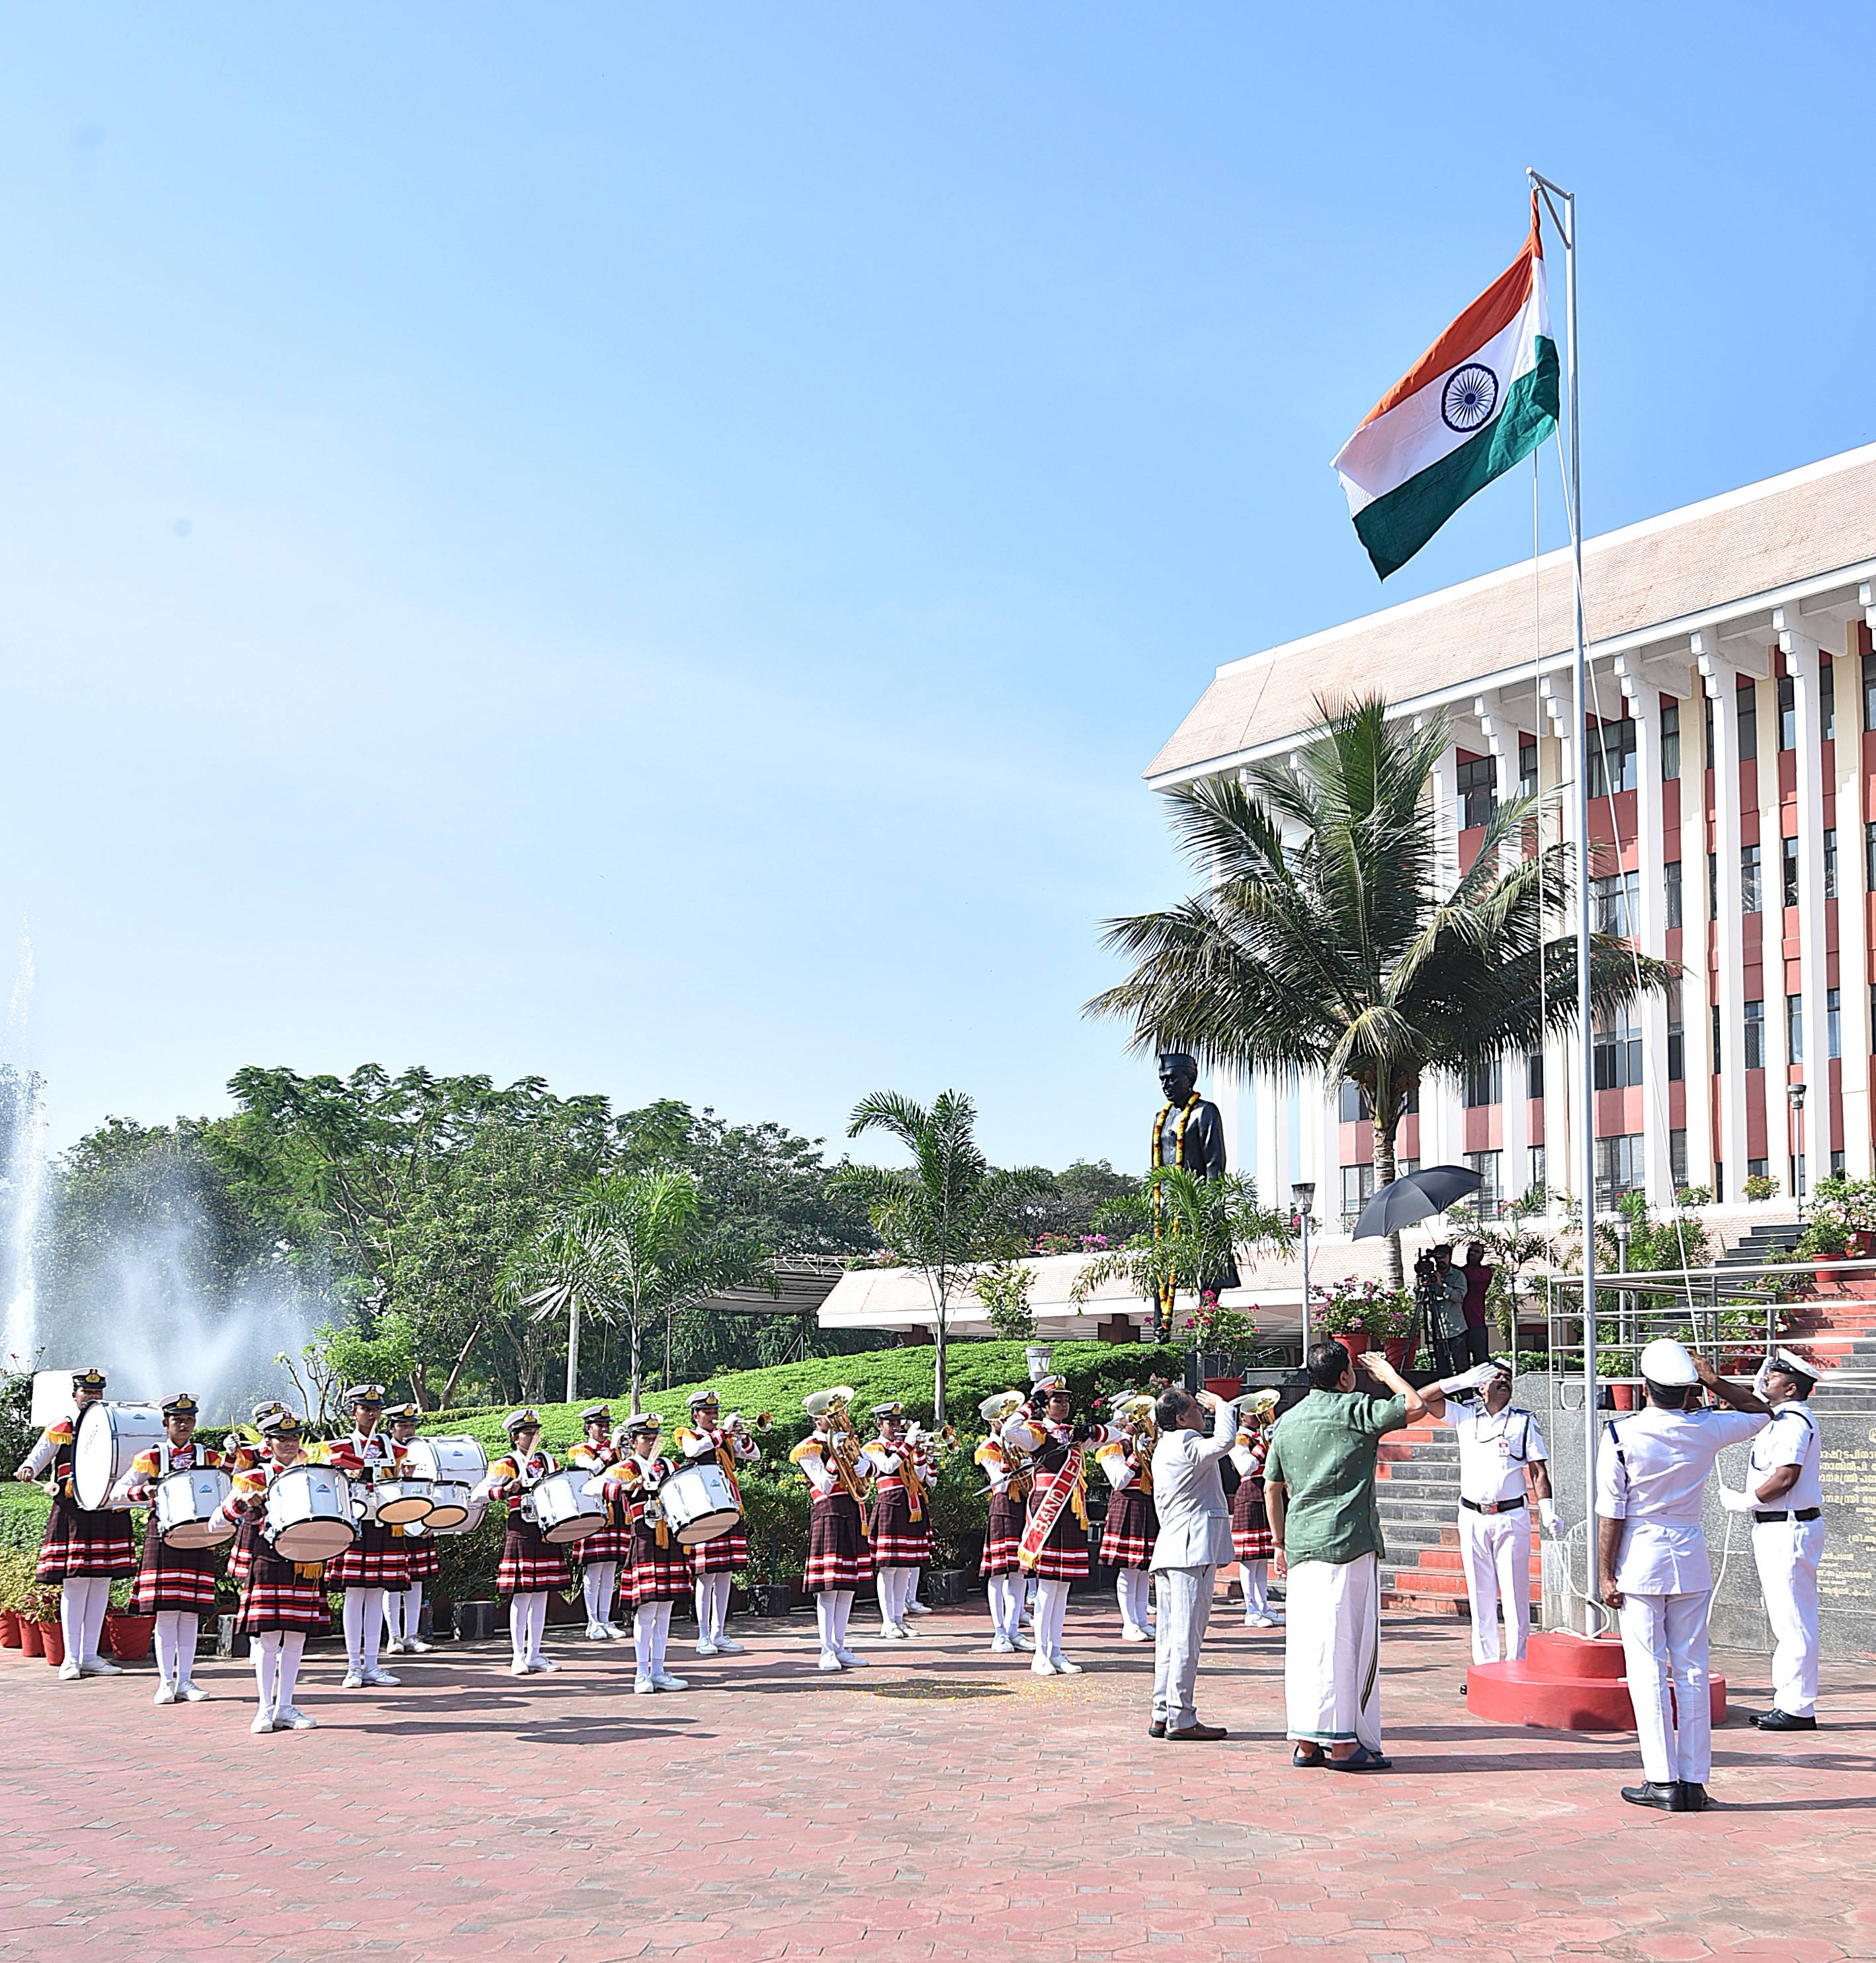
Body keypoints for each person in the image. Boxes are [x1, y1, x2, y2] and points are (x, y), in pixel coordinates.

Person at [1596, 1338, 1770, 1812]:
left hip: (1641, 1555)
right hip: (1689, 1552)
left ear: (1645, 1387)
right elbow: (1761, 1412)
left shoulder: (1621, 1434)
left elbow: (1611, 1511)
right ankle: (1693, 1780)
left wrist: (1606, 1573)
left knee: (1647, 1670)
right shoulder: (1705, 1428)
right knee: (1692, 1668)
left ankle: (1662, 1779)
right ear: (1687, 1389)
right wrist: (1714, 1379)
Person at [1263, 1340, 1430, 1770]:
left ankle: (1306, 1742)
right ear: (1344, 1376)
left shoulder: (1287, 1420)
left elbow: (1271, 1488)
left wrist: (1279, 1543)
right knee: (1344, 1643)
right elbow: (1415, 1406)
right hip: (1348, 1541)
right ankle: (1343, 1744)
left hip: (1302, 1544)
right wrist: (1387, 1374)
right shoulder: (1354, 1408)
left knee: (1306, 1645)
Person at [1431, 1358, 1556, 1666]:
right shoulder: (1465, 1415)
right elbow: (1422, 1400)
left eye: (1508, 1378)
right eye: (1495, 1377)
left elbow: (1538, 1470)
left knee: (1515, 1594)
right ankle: (1485, 1664)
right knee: (1480, 1594)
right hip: (1473, 1515)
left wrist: (1547, 1508)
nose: (1503, 1381)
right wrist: (1459, 1381)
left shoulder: (1523, 1422)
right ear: (1481, 1386)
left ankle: (1517, 1661)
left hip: (1511, 1516)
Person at [13, 1367, 135, 1681]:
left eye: (97, 1392)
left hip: (107, 1509)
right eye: (87, 1391)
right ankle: (71, 1658)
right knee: (76, 1582)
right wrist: (28, 1468)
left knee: (102, 1581)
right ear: (75, 1394)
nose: (92, 1396)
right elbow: (39, 1456)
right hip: (74, 1511)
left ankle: (91, 1656)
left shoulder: (114, 1424)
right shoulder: (62, 1426)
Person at [1727, 1347, 1824, 1732]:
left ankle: (1797, 1707)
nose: (1767, 1377)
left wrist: (1746, 1500)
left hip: (1787, 1526)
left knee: (1793, 1620)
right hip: (1776, 1526)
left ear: (1792, 1387)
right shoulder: (1779, 1417)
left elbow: (1786, 1476)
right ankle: (1790, 1701)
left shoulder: (1793, 1422)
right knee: (1787, 1619)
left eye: (1775, 1375)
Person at [220, 1409, 328, 1733]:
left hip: (305, 1559)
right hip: (267, 1559)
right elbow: (217, 1520)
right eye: (282, 1438)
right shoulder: (255, 1476)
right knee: (268, 1639)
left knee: (296, 1637)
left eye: (294, 1437)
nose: (289, 1443)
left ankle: (286, 1707)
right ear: (268, 1443)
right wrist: (242, 1503)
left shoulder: (312, 1474)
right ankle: (264, 1708)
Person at [1005, 1375, 1117, 1677]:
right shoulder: (1036, 1433)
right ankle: (1040, 1653)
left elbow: (1118, 1434)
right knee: (1046, 1586)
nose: (1064, 1405)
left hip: (1071, 1511)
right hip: (1047, 1508)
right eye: (1057, 1400)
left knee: (1063, 1586)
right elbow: (1009, 1430)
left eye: (1067, 1400)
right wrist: (1029, 1406)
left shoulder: (1073, 1435)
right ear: (1044, 1405)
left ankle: (1056, 1651)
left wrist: (1093, 1429)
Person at [117, 1391, 224, 1704]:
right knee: (166, 1612)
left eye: (189, 1419)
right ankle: (165, 1682)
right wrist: (143, 1491)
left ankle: (186, 1681)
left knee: (190, 1612)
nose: (184, 1425)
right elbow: (119, 1491)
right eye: (178, 1419)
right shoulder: (151, 1457)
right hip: (163, 1534)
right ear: (165, 1423)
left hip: (199, 1536)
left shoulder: (209, 1456)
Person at [1146, 1386, 1237, 1741]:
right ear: (1182, 1418)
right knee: (1186, 1636)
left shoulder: (1165, 1445)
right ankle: (1180, 1716)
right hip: (1190, 1549)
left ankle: (1163, 1711)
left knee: (1170, 1637)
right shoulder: (1185, 1441)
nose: (1203, 1413)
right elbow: (1224, 1442)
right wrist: (1224, 1406)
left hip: (1174, 1549)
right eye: (1197, 1409)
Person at [312, 1384, 409, 1690]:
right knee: (354, 1594)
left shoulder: (393, 1447)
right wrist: (344, 1474)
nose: (372, 1414)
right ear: (353, 1412)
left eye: (376, 1409)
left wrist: (404, 1476)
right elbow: (325, 1482)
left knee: (377, 1593)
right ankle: (353, 1665)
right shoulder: (340, 1446)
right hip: (355, 1524)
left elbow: (398, 1483)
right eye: (365, 1409)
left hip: (385, 1523)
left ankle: (372, 1665)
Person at [476, 1409, 571, 1677]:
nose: (533, 1437)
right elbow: (477, 1494)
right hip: (521, 1529)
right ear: (515, 1437)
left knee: (541, 1594)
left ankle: (535, 1654)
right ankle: (518, 1656)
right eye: (527, 1433)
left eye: (535, 1432)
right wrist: (504, 1490)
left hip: (546, 1528)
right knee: (522, 1595)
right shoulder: (507, 1464)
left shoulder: (547, 1460)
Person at [607, 1413, 693, 1694]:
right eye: (646, 1438)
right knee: (646, 1609)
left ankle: (658, 1670)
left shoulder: (667, 1465)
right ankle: (641, 1673)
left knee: (665, 1607)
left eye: (655, 1437)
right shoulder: (627, 1467)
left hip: (670, 1537)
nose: (652, 1442)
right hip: (644, 1537)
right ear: (633, 1441)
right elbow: (590, 1487)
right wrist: (623, 1487)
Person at [676, 1390, 762, 1657]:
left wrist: (742, 1436)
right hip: (704, 1508)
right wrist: (722, 1431)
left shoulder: (723, 1438)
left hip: (728, 1504)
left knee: (726, 1572)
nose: (713, 1416)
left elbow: (754, 1455)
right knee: (706, 1574)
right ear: (696, 1415)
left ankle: (719, 1633)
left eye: (715, 1412)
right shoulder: (690, 1435)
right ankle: (703, 1636)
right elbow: (693, 1451)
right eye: (708, 1412)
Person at [790, 1387, 871, 1673]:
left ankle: (839, 1645)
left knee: (847, 1584)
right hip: (828, 1513)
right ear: (817, 1419)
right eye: (831, 1414)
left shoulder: (848, 1440)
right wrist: (836, 1456)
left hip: (851, 1511)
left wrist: (863, 1465)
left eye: (840, 1411)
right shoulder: (808, 1447)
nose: (839, 1416)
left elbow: (870, 1471)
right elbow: (824, 1484)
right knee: (829, 1586)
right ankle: (826, 1649)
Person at [864, 1401, 933, 1639]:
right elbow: (887, 1466)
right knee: (888, 1567)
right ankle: (887, 1622)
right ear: (879, 1425)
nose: (896, 1427)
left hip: (910, 1505)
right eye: (890, 1423)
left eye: (898, 1423)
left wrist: (921, 1452)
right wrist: (909, 1445)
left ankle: (899, 1620)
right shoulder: (873, 1446)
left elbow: (920, 1476)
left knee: (905, 1564)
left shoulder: (903, 1446)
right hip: (890, 1505)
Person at [1095, 1395, 1159, 1643]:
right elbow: (1119, 1480)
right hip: (1127, 1505)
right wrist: (1136, 1455)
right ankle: (1129, 1623)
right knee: (1129, 1568)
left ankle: (1142, 1620)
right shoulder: (1113, 1445)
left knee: (1143, 1569)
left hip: (1147, 1505)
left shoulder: (1149, 1441)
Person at [974, 1393, 1034, 1654]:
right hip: (1002, 1508)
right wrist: (1018, 1461)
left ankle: (1013, 1629)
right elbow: (1000, 1481)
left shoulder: (1018, 1444)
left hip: (1023, 1507)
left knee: (1020, 1572)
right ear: (994, 1421)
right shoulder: (989, 1447)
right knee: (998, 1572)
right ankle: (999, 1631)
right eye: (1005, 1418)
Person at [567, 1403, 630, 1642]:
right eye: (599, 1425)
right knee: (594, 1569)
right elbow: (592, 1470)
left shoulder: (616, 1450)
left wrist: (623, 1450)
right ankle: (592, 1621)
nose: (604, 1429)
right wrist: (611, 1448)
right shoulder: (581, 1450)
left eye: (606, 1425)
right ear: (588, 1428)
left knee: (610, 1567)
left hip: (616, 1510)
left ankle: (605, 1619)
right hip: (594, 1512)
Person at [380, 1403, 438, 1657]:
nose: (408, 1430)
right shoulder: (383, 1452)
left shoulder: (422, 1450)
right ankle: (394, 1637)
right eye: (403, 1425)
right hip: (392, 1523)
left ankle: (412, 1635)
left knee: (416, 1580)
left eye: (411, 1425)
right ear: (391, 1427)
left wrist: (431, 1521)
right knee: (392, 1583)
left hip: (417, 1521)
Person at [1229, 1392, 1280, 1628]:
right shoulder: (1239, 1439)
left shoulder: (1261, 1435)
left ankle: (1263, 1606)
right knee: (1250, 1558)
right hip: (1249, 1497)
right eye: (1253, 1412)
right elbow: (1246, 1467)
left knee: (1261, 1558)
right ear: (1242, 1416)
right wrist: (1262, 1444)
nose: (1259, 1416)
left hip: (1267, 1495)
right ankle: (1251, 1610)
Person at [1458, 1242, 1496, 1368]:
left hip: (1476, 1323)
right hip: (1459, 1325)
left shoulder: (1485, 1272)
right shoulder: (1459, 1272)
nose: (1472, 1254)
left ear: (1482, 1256)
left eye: (1476, 1252)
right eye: (1470, 1251)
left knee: (1482, 1362)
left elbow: (1468, 1275)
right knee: (1462, 1364)